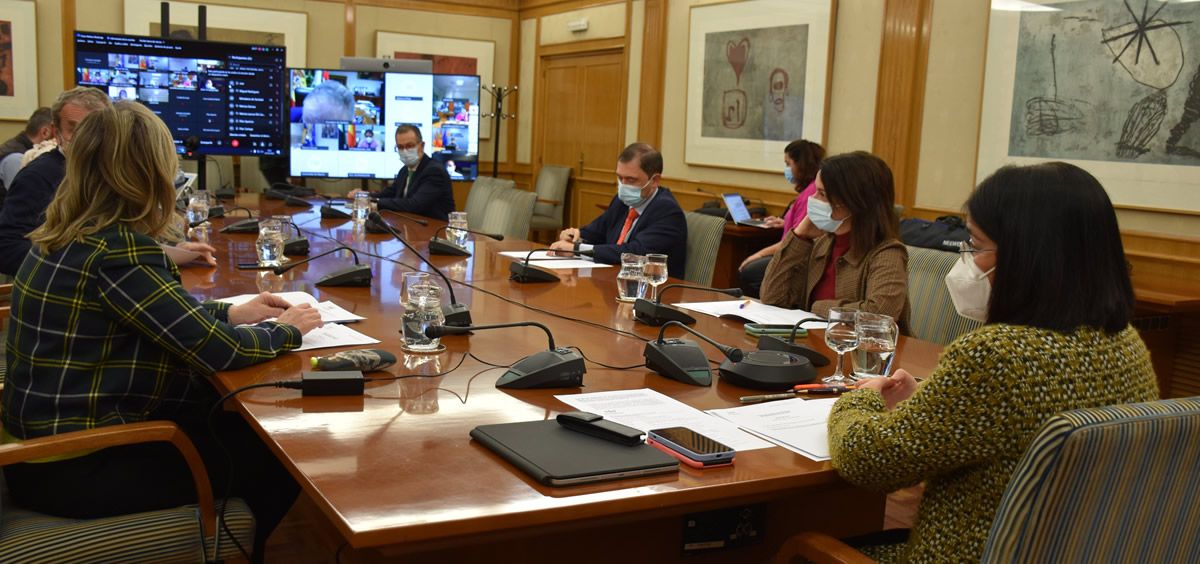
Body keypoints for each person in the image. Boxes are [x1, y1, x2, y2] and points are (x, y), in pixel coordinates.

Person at [0, 101, 324, 561]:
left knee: (231, 419)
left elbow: (159, 316)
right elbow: (217, 352)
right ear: (148, 174)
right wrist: (287, 330)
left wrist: (233, 313)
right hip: (77, 464)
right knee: (281, 454)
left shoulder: (66, 234)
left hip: (40, 450)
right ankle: (224, 549)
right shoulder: (118, 252)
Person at [826, 162, 1160, 562]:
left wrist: (859, 400)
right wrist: (932, 402)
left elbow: (869, 461)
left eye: (976, 245)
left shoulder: (996, 355)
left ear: (1028, 258)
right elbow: (1011, 429)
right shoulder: (1127, 345)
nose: (966, 259)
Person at [759, 151, 908, 323]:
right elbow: (772, 297)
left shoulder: (887, 253)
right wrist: (799, 235)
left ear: (854, 202)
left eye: (822, 194)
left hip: (854, 341)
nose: (812, 199)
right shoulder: (822, 243)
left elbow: (878, 315)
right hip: (814, 337)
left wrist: (817, 307)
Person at [0, 87, 112, 275]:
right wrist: (74, 263)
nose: (84, 138)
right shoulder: (36, 177)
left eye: (94, 129)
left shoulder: (114, 173)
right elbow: (7, 247)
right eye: (73, 129)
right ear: (56, 132)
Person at [550, 143, 688, 278]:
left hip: (652, 286)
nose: (623, 186)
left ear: (654, 180)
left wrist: (576, 250)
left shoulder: (668, 212)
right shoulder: (622, 201)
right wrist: (575, 236)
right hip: (613, 278)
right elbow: (597, 231)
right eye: (620, 178)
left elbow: (634, 252)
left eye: (631, 179)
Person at [737, 139, 825, 297]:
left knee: (750, 270)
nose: (787, 169)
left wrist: (760, 254)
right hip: (787, 250)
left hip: (795, 255)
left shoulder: (811, 193)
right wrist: (785, 223)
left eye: (788, 164)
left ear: (800, 164)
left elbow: (797, 238)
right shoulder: (810, 190)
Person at [349, 124, 454, 221]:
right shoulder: (405, 170)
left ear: (421, 146)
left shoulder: (434, 171)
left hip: (433, 229)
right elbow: (390, 193)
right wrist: (364, 196)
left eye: (410, 146)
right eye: (400, 147)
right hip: (410, 225)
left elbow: (414, 204)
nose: (404, 151)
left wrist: (375, 203)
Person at [0, 106, 53, 208]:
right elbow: (25, 199)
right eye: (58, 132)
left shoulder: (16, 147)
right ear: (45, 132)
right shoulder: (16, 158)